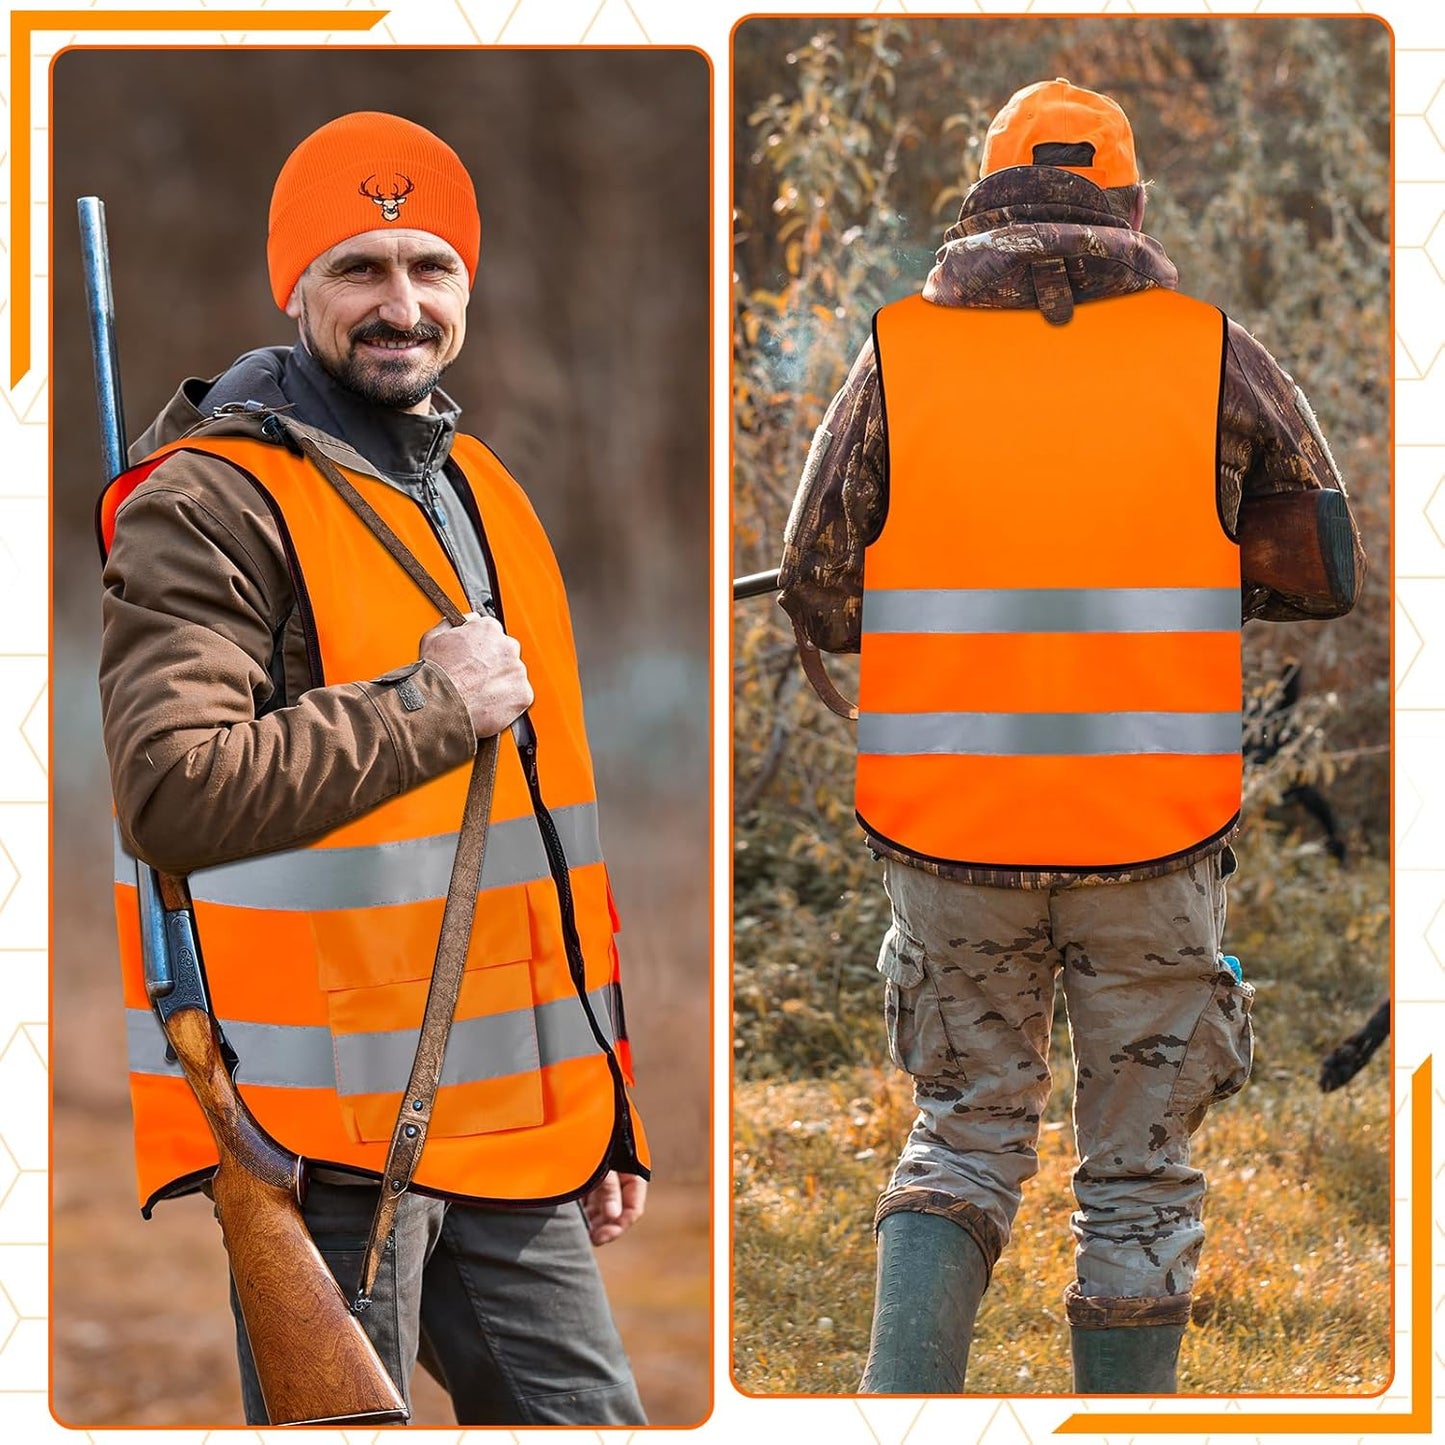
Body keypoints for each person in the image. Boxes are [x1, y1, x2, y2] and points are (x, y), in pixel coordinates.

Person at [776, 78, 1362, 1395]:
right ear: (1130, 203)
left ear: (979, 199)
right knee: (1138, 1173)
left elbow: (815, 584)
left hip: (947, 826)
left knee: (964, 1129)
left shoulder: (897, 351)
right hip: (1151, 830)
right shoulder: (1215, 350)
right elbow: (1323, 562)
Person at [97, 111, 650, 1427]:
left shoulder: (483, 491)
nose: (399, 302)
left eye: (430, 267)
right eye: (358, 267)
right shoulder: (210, 500)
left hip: (509, 1122)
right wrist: (425, 705)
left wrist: (603, 1090)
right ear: (293, 287)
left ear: (468, 286)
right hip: (324, 1127)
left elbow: (542, 837)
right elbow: (170, 786)